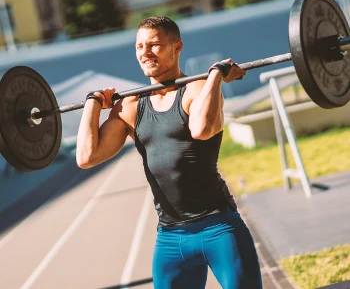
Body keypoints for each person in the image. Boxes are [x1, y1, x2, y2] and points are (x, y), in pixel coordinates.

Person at [76, 16, 262, 289]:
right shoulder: (130, 105)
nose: (145, 52)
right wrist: (92, 103)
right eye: (139, 46)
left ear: (177, 47)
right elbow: (86, 157)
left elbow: (201, 129)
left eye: (154, 45)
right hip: (170, 239)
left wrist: (215, 76)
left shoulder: (195, 89)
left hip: (219, 229)